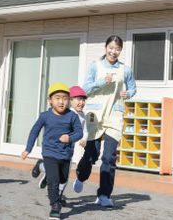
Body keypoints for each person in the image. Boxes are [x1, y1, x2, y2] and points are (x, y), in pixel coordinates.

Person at [73, 35, 137, 207]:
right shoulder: (95, 66)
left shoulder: (126, 69)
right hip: (96, 114)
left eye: (117, 49)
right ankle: (81, 175)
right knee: (91, 154)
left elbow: (132, 87)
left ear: (120, 50)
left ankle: (104, 195)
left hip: (114, 115)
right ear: (105, 48)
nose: (113, 52)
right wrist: (102, 82)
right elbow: (84, 89)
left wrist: (128, 94)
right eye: (111, 48)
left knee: (109, 157)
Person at [21, 82, 83, 220]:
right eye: (57, 98)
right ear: (50, 100)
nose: (61, 102)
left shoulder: (72, 116)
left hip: (66, 154)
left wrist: (70, 137)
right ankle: (55, 206)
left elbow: (79, 133)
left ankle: (40, 166)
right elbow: (34, 131)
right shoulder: (45, 116)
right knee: (54, 181)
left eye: (65, 98)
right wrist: (28, 149)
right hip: (49, 153)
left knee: (62, 179)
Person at [31, 85, 88, 206]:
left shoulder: (82, 116)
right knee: (55, 177)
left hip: (68, 151)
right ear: (70, 101)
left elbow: (84, 131)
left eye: (83, 100)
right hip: (53, 150)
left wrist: (84, 139)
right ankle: (56, 199)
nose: (81, 103)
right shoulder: (67, 112)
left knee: (64, 177)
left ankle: (55, 188)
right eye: (78, 99)